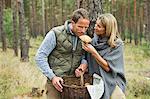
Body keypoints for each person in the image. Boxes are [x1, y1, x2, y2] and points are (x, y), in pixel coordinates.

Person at [35, 8, 90, 99]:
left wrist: (83, 64)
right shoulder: (55, 33)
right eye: (80, 27)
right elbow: (40, 57)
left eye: (86, 27)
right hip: (56, 82)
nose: (83, 30)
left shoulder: (84, 36)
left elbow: (84, 55)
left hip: (74, 83)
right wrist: (52, 77)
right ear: (72, 23)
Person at [81, 13, 126, 99]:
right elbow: (84, 58)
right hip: (96, 81)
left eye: (99, 26)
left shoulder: (117, 45)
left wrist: (94, 52)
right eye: (96, 24)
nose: (95, 27)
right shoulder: (93, 41)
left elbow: (108, 68)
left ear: (107, 29)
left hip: (112, 81)